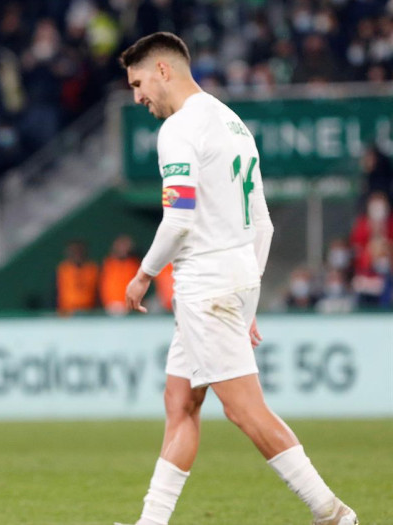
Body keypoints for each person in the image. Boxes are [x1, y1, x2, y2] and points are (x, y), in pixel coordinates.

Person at [117, 32, 356, 525]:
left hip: (206, 283)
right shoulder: (231, 122)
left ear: (164, 70)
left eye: (138, 83)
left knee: (246, 411)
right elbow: (262, 223)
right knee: (180, 402)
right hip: (229, 277)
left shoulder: (179, 129)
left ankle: (333, 513)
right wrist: (248, 294)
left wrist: (143, 275)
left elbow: (179, 219)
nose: (137, 96)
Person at [100, 234, 140, 315]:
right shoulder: (108, 264)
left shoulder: (134, 264)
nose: (123, 249)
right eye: (120, 246)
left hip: (130, 309)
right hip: (110, 307)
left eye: (125, 246)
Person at [56, 239, 99, 315]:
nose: (77, 254)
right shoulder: (62, 270)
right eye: (74, 252)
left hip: (89, 312)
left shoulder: (92, 269)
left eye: (80, 251)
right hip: (67, 313)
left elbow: (98, 292)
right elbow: (54, 293)